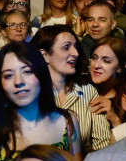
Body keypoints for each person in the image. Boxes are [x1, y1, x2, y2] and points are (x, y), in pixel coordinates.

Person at [33, 24, 113, 153]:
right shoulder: (32, 93)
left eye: (75, 47)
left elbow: (102, 146)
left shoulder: (88, 91)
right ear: (45, 55)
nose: (75, 53)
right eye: (66, 47)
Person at [89, 36, 126, 131]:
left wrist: (114, 118)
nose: (96, 65)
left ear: (120, 67)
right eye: (94, 58)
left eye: (106, 61)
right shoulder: (81, 90)